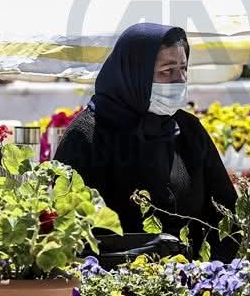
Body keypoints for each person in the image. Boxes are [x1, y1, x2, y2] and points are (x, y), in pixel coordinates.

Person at [53, 22, 239, 261]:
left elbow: (227, 215)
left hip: (196, 288)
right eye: (167, 71)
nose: (179, 80)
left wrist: (209, 275)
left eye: (183, 69)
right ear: (134, 73)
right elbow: (71, 233)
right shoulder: (87, 135)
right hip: (114, 290)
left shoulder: (188, 129)